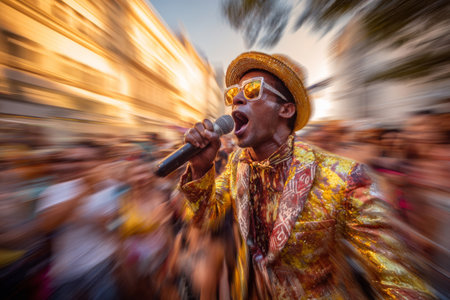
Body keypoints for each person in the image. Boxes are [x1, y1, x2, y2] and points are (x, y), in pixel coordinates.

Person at [180, 52, 432, 299]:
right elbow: (203, 221)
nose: (237, 100)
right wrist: (201, 169)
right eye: (233, 94)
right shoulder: (237, 164)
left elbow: (398, 281)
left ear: (286, 109)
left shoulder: (345, 178)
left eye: (253, 89)